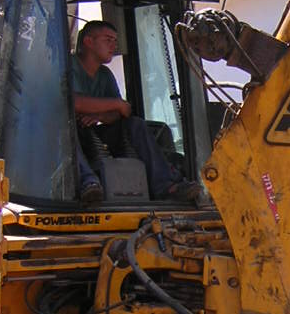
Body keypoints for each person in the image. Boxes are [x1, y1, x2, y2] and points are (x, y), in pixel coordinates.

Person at [72, 20, 200, 205]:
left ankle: (166, 185)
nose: (113, 46)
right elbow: (74, 102)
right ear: (88, 41)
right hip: (71, 135)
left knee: (136, 124)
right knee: (65, 130)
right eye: (108, 40)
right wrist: (115, 104)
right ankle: (88, 183)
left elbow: (121, 113)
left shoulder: (105, 75)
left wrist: (98, 115)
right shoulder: (69, 66)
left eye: (115, 41)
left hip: (95, 132)